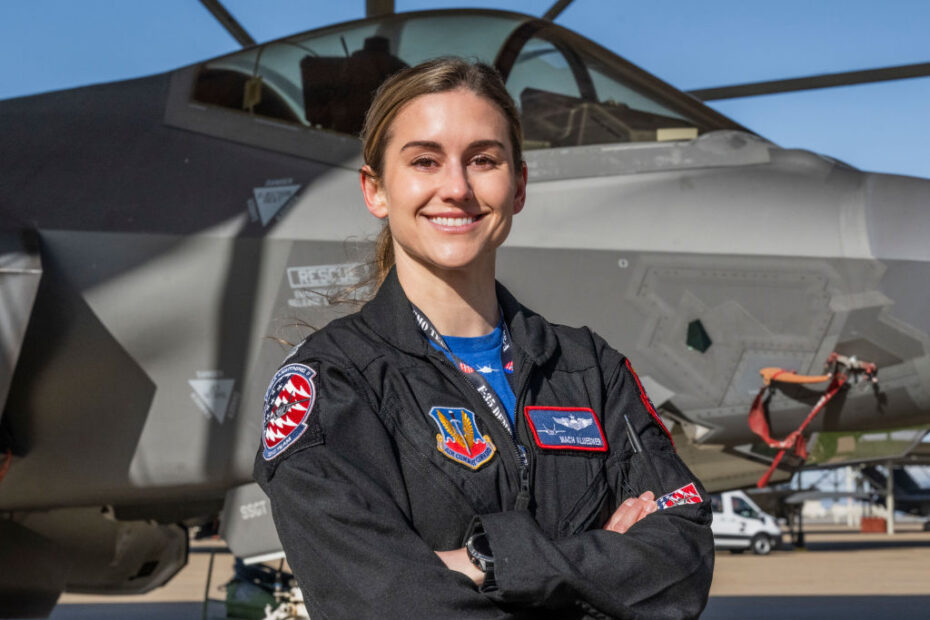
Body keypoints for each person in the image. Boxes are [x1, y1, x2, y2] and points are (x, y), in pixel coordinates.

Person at [254, 58, 713, 619]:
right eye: (425, 161)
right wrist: (599, 568)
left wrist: (485, 560)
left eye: (484, 160)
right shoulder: (334, 383)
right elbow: (384, 601)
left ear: (518, 186)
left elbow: (680, 565)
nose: (456, 188)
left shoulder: (589, 369)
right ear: (375, 190)